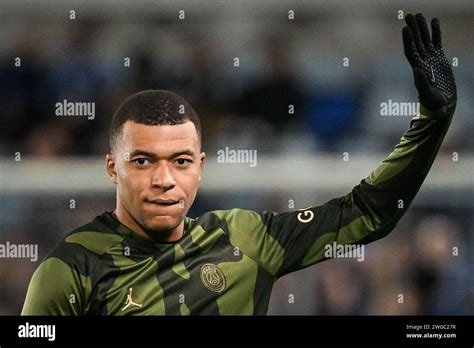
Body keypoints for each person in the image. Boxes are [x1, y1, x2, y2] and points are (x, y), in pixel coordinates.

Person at [22, 13, 457, 315]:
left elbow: (368, 212)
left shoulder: (244, 239)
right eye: (142, 161)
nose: (164, 179)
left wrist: (432, 121)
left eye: (181, 161)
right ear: (113, 168)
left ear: (201, 166)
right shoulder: (68, 271)